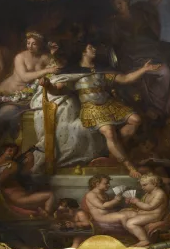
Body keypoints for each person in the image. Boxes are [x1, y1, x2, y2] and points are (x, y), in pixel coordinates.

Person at [64, 43, 160, 178]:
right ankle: (129, 166)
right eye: (91, 47)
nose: (94, 49)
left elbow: (125, 79)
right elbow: (58, 86)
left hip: (109, 104)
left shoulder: (101, 69)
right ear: (83, 52)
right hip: (91, 107)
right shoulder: (74, 71)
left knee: (136, 120)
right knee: (109, 132)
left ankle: (114, 152)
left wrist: (144, 69)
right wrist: (47, 84)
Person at [108, 0, 170, 119]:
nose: (118, 6)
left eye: (120, 2)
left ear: (126, 1)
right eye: (115, 4)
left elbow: (153, 2)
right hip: (131, 56)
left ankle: (160, 109)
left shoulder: (139, 10)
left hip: (151, 52)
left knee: (166, 72)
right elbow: (114, 44)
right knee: (150, 76)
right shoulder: (114, 23)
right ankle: (154, 108)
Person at [0, 31, 60, 112]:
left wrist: (53, 52)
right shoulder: (20, 57)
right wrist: (46, 70)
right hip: (8, 94)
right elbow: (24, 77)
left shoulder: (44, 57)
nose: (30, 47)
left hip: (27, 95)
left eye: (34, 44)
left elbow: (56, 68)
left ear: (40, 45)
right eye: (28, 43)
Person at [0, 143, 55, 216]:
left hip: (22, 194)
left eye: (14, 152)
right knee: (50, 196)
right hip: (15, 197)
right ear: (3, 150)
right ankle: (46, 214)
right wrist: (3, 175)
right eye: (10, 150)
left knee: (49, 195)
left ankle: (45, 213)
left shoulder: (13, 164)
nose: (11, 153)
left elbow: (24, 172)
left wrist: (30, 161)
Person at [123, 173, 169, 245]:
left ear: (154, 184)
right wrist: (132, 201)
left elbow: (150, 207)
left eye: (144, 185)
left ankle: (144, 240)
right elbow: (142, 204)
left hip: (155, 216)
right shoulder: (148, 193)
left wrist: (137, 202)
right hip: (146, 213)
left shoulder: (160, 194)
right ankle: (134, 237)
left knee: (130, 223)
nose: (142, 187)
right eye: (141, 185)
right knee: (125, 214)